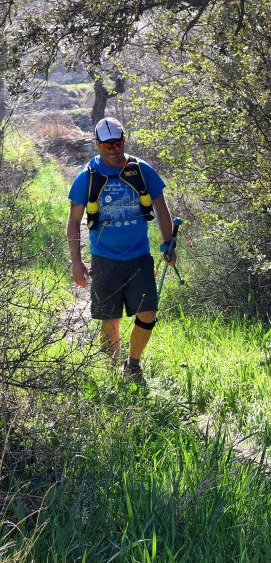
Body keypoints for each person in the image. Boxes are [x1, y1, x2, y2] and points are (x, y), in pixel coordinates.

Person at [66, 116, 176, 377]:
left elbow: (161, 208)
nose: (113, 149)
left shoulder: (141, 170)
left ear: (124, 140)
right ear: (97, 145)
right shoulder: (87, 176)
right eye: (107, 145)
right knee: (110, 318)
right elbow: (73, 222)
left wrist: (168, 244)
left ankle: (133, 363)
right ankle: (111, 371)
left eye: (117, 143)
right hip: (104, 259)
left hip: (139, 256)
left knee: (148, 313)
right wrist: (77, 261)